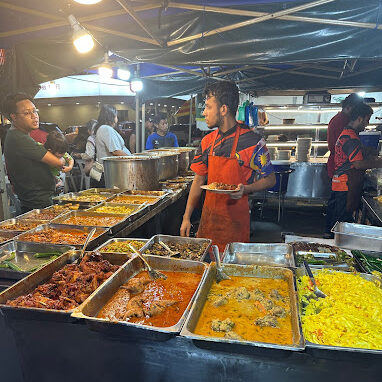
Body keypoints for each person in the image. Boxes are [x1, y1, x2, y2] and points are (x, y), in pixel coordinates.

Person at [180, 81, 276, 251]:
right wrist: (186, 217)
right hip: (208, 224)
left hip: (235, 228)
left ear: (223, 109)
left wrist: (246, 189)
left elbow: (270, 179)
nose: (204, 112)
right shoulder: (207, 142)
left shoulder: (253, 142)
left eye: (208, 107)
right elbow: (198, 180)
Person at [325, 103, 382, 236]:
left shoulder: (347, 133)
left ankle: (330, 239)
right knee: (341, 222)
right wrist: (379, 163)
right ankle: (336, 245)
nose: (367, 124)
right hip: (346, 184)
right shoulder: (351, 137)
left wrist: (367, 152)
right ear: (360, 118)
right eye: (367, 119)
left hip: (340, 183)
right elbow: (358, 164)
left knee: (336, 218)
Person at [3, 93, 65, 212]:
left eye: (34, 111)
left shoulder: (19, 135)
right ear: (13, 117)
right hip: (37, 204)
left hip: (37, 201)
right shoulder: (19, 138)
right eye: (27, 113)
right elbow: (57, 163)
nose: (34, 116)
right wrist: (63, 160)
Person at [92, 105, 131, 187]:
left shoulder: (104, 128)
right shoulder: (106, 129)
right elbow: (115, 151)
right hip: (110, 173)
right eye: (116, 115)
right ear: (112, 116)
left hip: (111, 172)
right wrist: (132, 160)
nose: (117, 118)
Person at [327, 93, 363, 179]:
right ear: (348, 107)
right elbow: (347, 146)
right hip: (340, 167)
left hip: (338, 165)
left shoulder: (340, 118)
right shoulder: (343, 120)